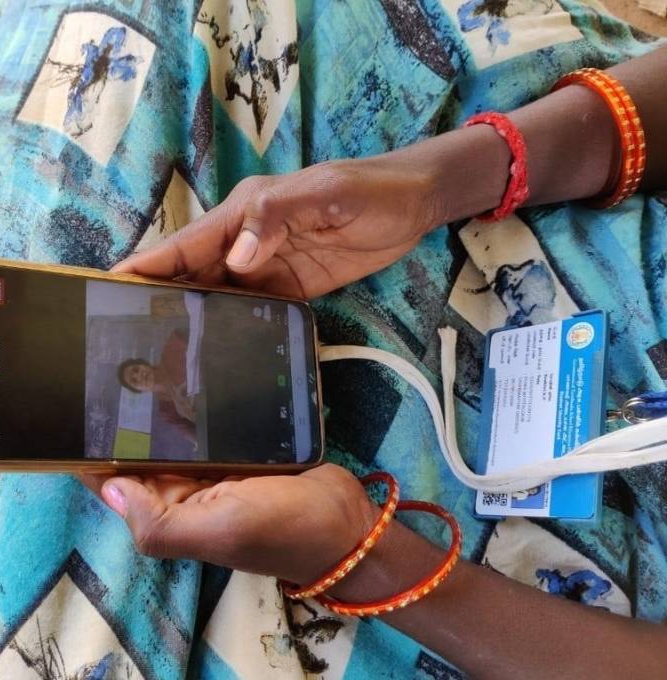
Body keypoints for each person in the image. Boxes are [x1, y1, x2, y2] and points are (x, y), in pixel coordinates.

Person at [82, 45, 667, 678]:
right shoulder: (170, 393)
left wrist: (363, 557)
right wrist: (429, 185)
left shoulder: (175, 373)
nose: (144, 376)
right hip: (493, 201)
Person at [117, 328, 197, 431]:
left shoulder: (172, 348)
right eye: (134, 381)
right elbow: (197, 435)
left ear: (144, 363)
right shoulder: (167, 411)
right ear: (139, 391)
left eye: (136, 369)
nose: (139, 376)